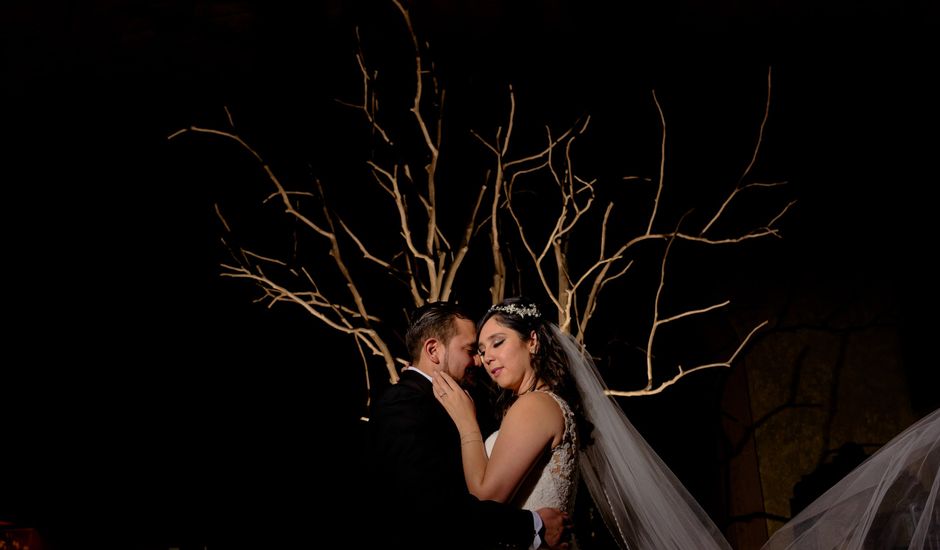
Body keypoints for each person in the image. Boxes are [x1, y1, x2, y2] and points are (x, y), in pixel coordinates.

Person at [434, 297, 734, 550]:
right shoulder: (546, 404)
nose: (487, 358)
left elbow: (486, 498)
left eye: (498, 343)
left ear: (533, 341)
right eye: (482, 351)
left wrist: (467, 424)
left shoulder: (535, 405)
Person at [367, 301, 570, 550]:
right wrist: (531, 525)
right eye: (473, 350)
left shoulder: (465, 402)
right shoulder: (403, 405)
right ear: (433, 351)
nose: (480, 361)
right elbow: (431, 508)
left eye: (493, 345)